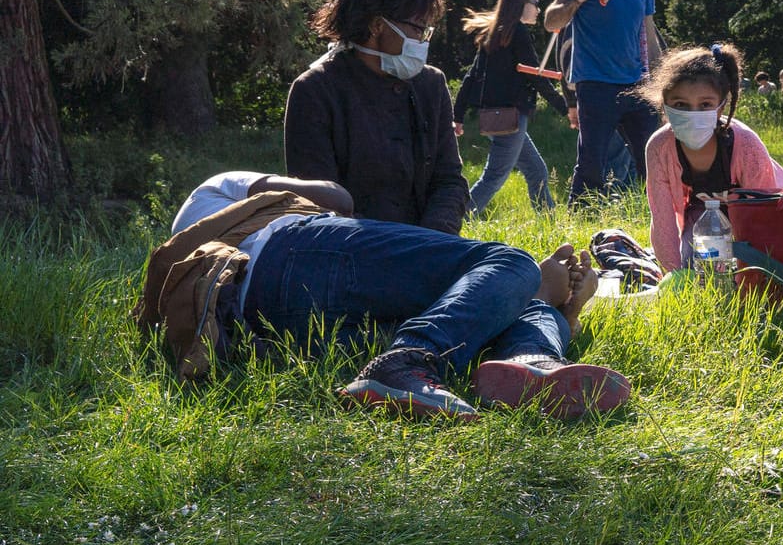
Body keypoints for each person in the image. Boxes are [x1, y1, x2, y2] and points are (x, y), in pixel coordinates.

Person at [145, 171, 630, 419]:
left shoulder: (199, 245)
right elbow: (336, 196)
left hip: (261, 314)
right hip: (287, 249)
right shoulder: (223, 189)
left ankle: (532, 361)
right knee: (510, 264)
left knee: (478, 312)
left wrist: (570, 307)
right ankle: (402, 363)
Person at [284, 0, 468, 234]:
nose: (423, 39)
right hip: (353, 254)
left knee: (513, 264)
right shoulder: (315, 90)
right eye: (418, 29)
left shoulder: (431, 84)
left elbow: (449, 181)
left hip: (431, 247)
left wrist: (432, 240)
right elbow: (318, 206)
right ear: (376, 26)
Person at [544, 0, 665, 204]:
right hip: (595, 84)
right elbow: (551, 21)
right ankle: (578, 228)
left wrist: (665, 85)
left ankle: (661, 223)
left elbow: (649, 36)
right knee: (591, 166)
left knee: (655, 161)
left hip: (638, 86)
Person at [638, 44, 783, 270]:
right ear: (665, 105)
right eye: (681, 105)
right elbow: (663, 221)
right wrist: (674, 275)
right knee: (696, 267)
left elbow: (765, 218)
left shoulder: (746, 145)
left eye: (705, 105)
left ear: (720, 107)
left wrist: (756, 275)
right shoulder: (659, 147)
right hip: (703, 220)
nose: (693, 114)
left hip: (755, 219)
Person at [453, 0, 569, 215]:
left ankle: (548, 220)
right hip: (510, 117)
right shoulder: (517, 33)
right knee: (494, 177)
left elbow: (471, 77)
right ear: (520, 4)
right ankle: (458, 219)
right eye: (535, 3)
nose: (538, 9)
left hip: (498, 117)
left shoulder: (495, 34)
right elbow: (536, 77)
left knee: (537, 171)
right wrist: (566, 108)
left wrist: (458, 116)